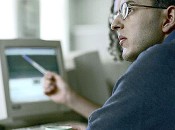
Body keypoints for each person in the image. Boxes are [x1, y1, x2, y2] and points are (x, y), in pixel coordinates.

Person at [43, 0, 175, 129]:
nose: (114, 24)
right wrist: (68, 97)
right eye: (115, 14)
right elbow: (123, 121)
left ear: (169, 18)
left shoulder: (161, 58)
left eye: (127, 9)